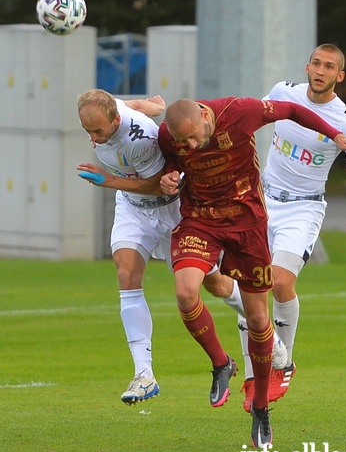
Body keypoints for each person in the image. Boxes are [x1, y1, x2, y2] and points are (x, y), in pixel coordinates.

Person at [158, 96, 346, 448]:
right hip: (200, 221)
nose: (189, 145)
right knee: (185, 291)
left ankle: (262, 409)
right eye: (183, 142)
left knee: (257, 320)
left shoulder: (239, 111)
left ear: (205, 115)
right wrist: (167, 178)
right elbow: (166, 167)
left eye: (193, 137)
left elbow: (292, 110)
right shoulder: (168, 136)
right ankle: (221, 363)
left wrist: (334, 136)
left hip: (248, 225)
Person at [76, 89, 279, 407]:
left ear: (115, 121)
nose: (93, 137)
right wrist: (154, 105)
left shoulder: (140, 140)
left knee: (218, 284)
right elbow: (133, 104)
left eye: (97, 130)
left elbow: (157, 184)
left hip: (169, 207)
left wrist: (109, 180)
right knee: (126, 273)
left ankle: (267, 333)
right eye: (87, 130)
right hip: (132, 207)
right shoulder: (110, 109)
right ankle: (144, 375)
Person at [237, 43, 346, 412]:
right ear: (307, 66)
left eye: (329, 66)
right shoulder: (284, 94)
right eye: (316, 63)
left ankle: (285, 362)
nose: (320, 70)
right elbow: (252, 120)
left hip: (303, 209)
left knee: (281, 282)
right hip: (262, 200)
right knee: (248, 286)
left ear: (339, 76)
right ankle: (254, 375)